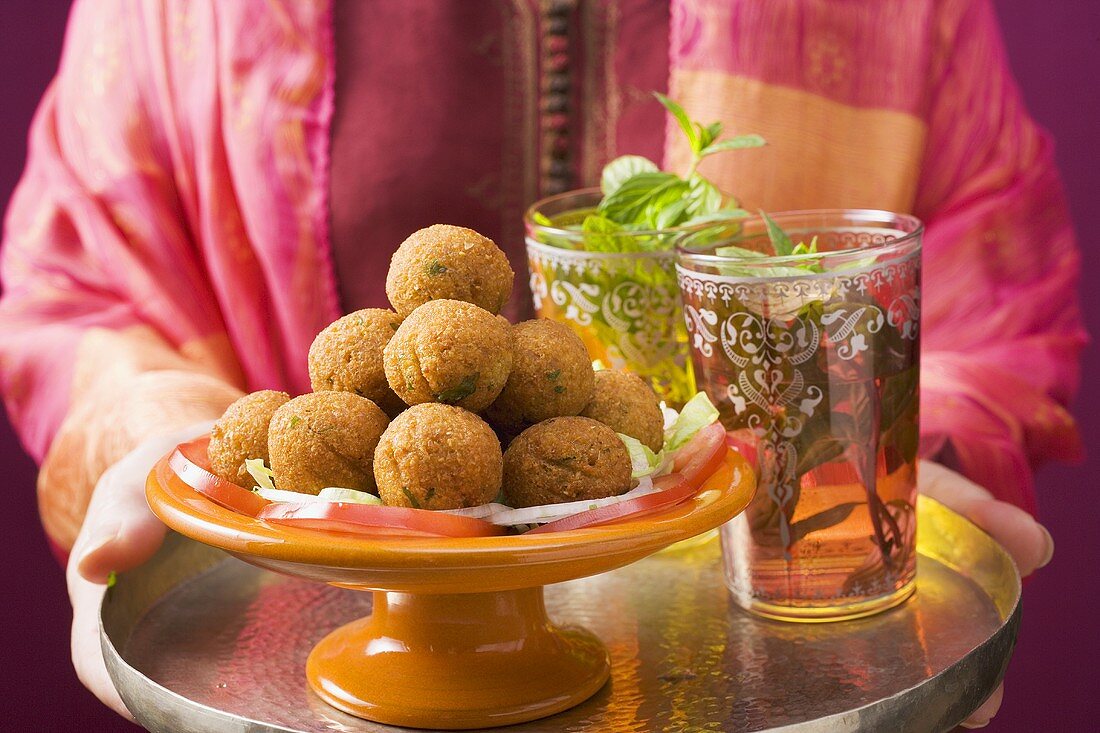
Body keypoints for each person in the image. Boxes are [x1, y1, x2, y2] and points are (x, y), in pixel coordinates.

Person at [0, 1, 1082, 729]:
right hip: (324, 631)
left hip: (740, 624)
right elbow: (84, 278)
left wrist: (875, 451)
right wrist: (157, 434)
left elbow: (995, 279)